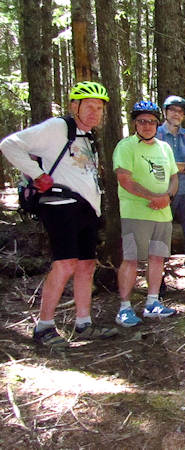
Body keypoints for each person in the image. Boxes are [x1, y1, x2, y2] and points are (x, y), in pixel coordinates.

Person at [0, 81, 118, 346]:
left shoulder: (87, 136)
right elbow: (10, 144)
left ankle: (83, 323)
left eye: (99, 108)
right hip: (60, 205)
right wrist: (38, 174)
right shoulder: (58, 127)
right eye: (89, 106)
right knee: (65, 263)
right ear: (73, 105)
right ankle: (44, 326)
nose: (94, 113)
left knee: (87, 265)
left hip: (86, 209)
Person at [113, 100, 179, 327]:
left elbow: (173, 177)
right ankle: (124, 308)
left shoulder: (164, 148)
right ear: (134, 124)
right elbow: (124, 179)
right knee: (131, 259)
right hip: (135, 213)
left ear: (157, 124)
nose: (147, 126)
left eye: (151, 121)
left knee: (157, 258)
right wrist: (153, 197)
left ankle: (152, 302)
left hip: (162, 214)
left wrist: (167, 197)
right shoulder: (126, 146)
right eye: (142, 121)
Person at [156, 95, 185, 289]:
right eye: (172, 110)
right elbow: (155, 164)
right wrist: (182, 165)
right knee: (160, 233)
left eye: (180, 111)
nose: (176, 114)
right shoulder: (156, 133)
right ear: (165, 112)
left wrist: (172, 165)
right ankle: (158, 279)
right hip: (161, 190)